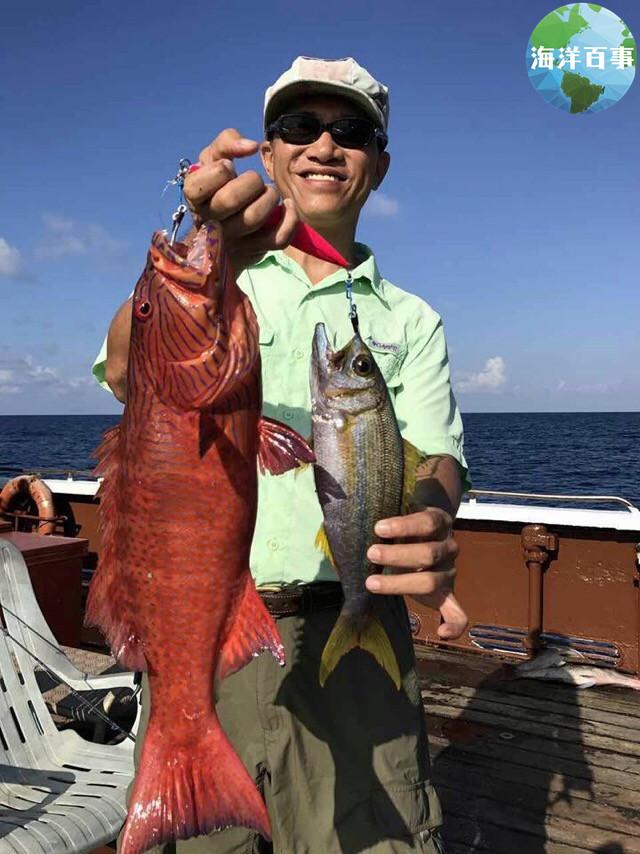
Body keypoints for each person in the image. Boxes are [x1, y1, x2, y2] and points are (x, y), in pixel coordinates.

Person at [93, 56, 471, 854]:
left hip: (353, 637)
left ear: (380, 164)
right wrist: (211, 238)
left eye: (352, 131)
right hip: (207, 641)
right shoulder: (216, 272)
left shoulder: (414, 318)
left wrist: (432, 517)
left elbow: (438, 459)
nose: (324, 145)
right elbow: (131, 371)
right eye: (299, 127)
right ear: (266, 155)